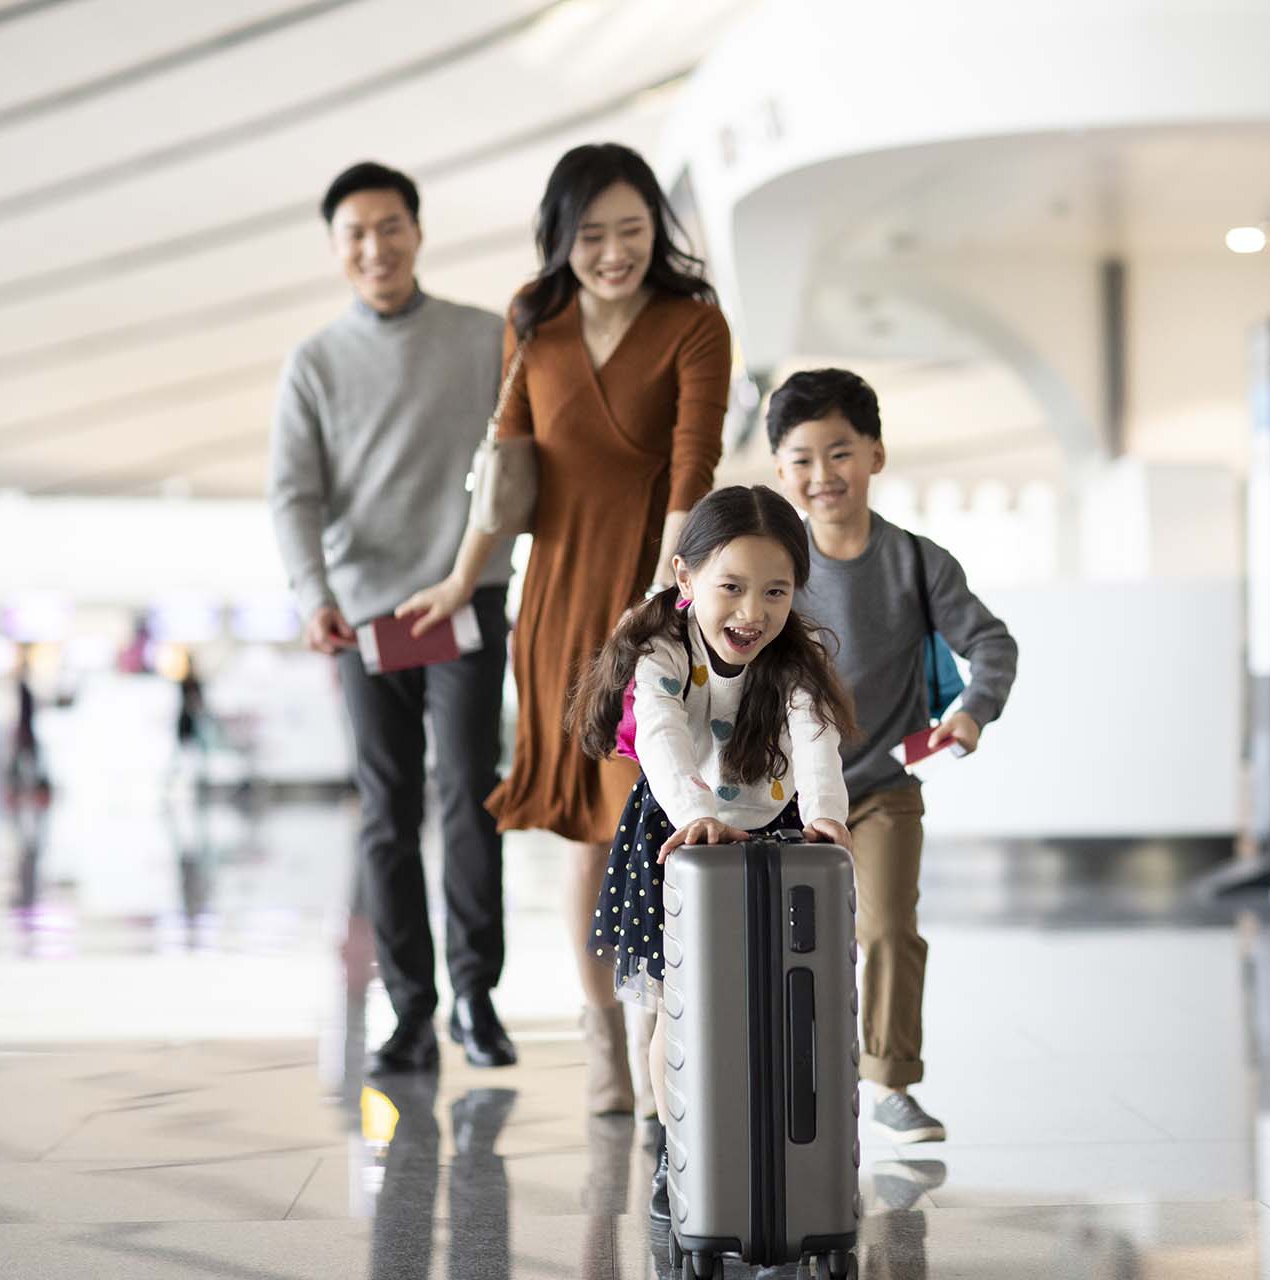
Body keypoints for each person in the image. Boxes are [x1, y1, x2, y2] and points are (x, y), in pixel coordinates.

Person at [398, 142, 731, 1114]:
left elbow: (691, 467)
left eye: (633, 231)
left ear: (656, 233)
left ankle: (661, 1024)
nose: (615, 252)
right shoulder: (531, 319)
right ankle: (601, 1034)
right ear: (561, 239)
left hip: (652, 599)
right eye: (592, 235)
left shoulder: (693, 323)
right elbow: (504, 466)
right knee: (588, 828)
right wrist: (463, 577)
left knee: (655, 810)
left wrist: (665, 599)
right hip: (553, 606)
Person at [269, 161, 517, 1074]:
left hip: (466, 598)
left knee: (468, 793)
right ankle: (410, 1009)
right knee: (387, 810)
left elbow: (519, 467)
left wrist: (478, 569)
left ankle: (477, 1000)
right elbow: (293, 495)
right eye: (355, 234)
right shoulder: (315, 363)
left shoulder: (487, 338)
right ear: (337, 249)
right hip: (366, 616)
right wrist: (313, 595)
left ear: (417, 230)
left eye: (390, 226)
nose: (375, 247)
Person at [566, 484, 857, 1219]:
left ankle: (780, 1150)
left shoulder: (798, 656)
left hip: (775, 834)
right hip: (677, 835)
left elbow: (816, 737)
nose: (752, 613)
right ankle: (678, 1152)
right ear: (685, 577)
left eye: (775, 591)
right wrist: (696, 814)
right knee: (680, 1012)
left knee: (774, 1000)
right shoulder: (661, 650)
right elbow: (661, 737)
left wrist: (825, 818)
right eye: (731, 587)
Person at [770, 368, 1018, 1145]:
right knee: (777, 942)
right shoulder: (775, 564)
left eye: (839, 453)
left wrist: (972, 713)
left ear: (875, 454)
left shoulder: (917, 562)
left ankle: (890, 1082)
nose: (822, 476)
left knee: (885, 932)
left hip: (880, 786)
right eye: (803, 459)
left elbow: (991, 643)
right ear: (780, 470)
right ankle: (781, 1079)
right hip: (777, 793)